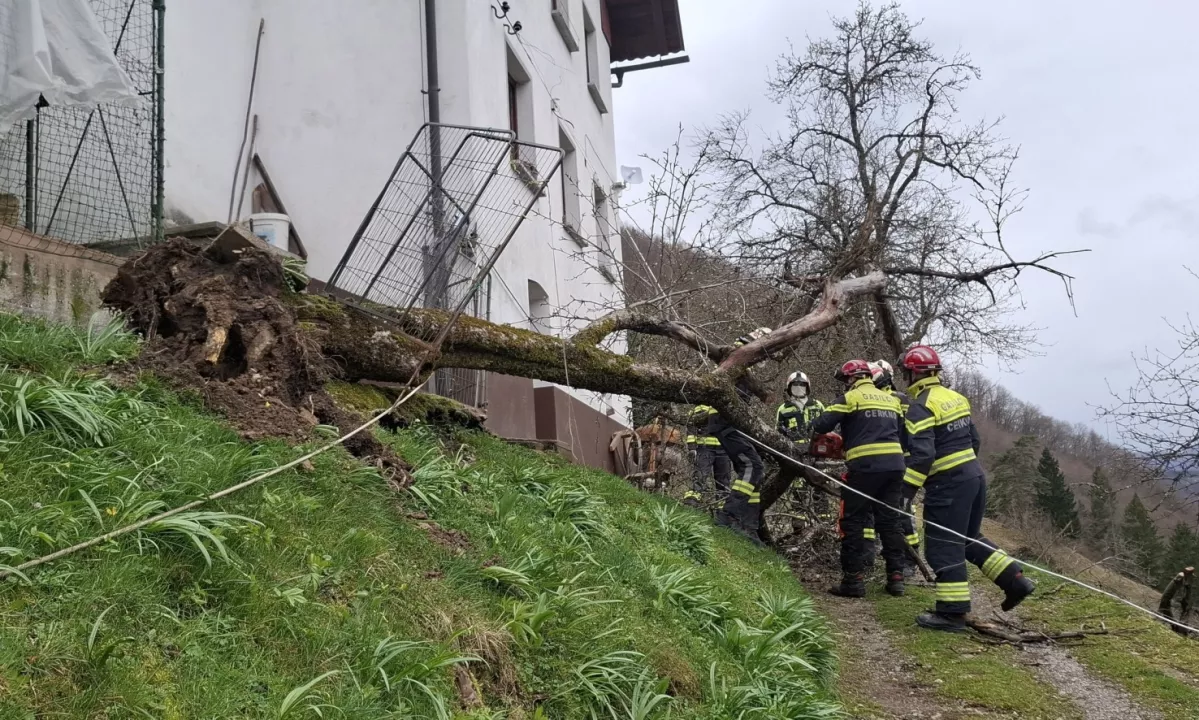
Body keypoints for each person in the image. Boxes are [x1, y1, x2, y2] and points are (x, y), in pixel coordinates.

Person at [901, 345, 1035, 632]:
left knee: (942, 547)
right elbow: (973, 440)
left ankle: (952, 613)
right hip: (974, 477)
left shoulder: (920, 406)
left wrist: (905, 492)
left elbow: (923, 457)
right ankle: (1016, 581)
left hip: (948, 485)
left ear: (912, 374)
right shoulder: (955, 398)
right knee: (969, 538)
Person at [811, 359, 908, 598]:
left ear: (852, 378)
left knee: (852, 521)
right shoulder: (893, 400)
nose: (845, 384)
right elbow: (905, 439)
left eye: (846, 380)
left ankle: (853, 581)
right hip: (895, 467)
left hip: (864, 468)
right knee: (890, 522)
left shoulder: (850, 398)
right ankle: (896, 578)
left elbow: (821, 424)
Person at [710, 328, 771, 541]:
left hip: (733, 423)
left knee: (753, 466)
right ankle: (728, 516)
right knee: (752, 466)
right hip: (726, 422)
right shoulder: (737, 358)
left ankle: (748, 527)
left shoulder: (740, 361)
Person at [872, 360, 921, 568]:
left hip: (900, 461)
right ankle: (894, 553)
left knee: (902, 511)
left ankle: (910, 558)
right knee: (891, 510)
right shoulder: (895, 399)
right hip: (891, 461)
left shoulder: (899, 400)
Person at [683, 404, 731, 508]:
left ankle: (722, 510)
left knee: (723, 482)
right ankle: (691, 505)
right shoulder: (700, 408)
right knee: (700, 477)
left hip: (724, 449)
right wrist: (692, 448)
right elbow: (691, 427)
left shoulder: (727, 407)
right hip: (705, 449)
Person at [777, 370, 825, 449]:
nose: (799, 387)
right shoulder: (783, 409)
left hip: (816, 447)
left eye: (802, 385)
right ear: (789, 387)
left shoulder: (817, 405)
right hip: (793, 449)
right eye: (795, 385)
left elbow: (827, 426)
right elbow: (778, 433)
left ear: (807, 387)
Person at [1159, 566, 1194, 636]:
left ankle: (1179, 628)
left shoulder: (1185, 581)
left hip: (1173, 600)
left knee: (1185, 609)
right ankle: (1178, 628)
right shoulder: (1180, 577)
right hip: (1169, 600)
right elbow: (1173, 594)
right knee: (1165, 608)